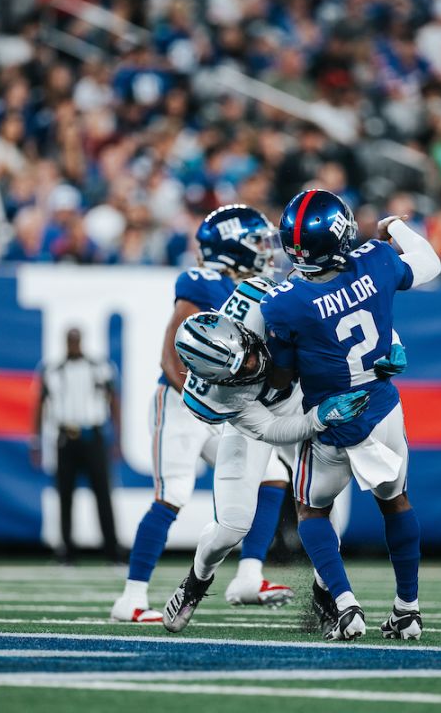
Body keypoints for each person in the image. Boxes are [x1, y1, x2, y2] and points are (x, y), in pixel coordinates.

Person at [261, 189, 441, 641]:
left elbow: (282, 379)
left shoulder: (284, 303)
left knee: (312, 511)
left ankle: (344, 605)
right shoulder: (377, 260)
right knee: (396, 501)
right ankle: (408, 609)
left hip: (330, 421)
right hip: (382, 409)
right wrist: (394, 227)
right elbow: (430, 262)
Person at [110, 204, 288, 623]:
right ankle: (131, 598)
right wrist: (197, 399)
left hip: (218, 408)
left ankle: (248, 575)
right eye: (257, 243)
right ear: (231, 248)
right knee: (172, 493)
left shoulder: (256, 290)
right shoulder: (204, 281)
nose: (266, 251)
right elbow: (172, 352)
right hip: (181, 402)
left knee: (272, 474)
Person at [161, 308, 374, 632]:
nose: (252, 364)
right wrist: (318, 419)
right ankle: (196, 582)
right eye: (237, 370)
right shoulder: (209, 397)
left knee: (324, 509)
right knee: (230, 529)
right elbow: (270, 429)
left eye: (246, 353)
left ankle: (324, 593)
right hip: (258, 425)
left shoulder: (264, 307)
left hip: (305, 402)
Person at [34, 327, 122, 564]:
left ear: (82, 341)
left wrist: (117, 438)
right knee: (65, 495)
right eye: (69, 340)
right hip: (66, 437)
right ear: (65, 342)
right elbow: (40, 405)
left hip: (93, 436)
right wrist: (36, 441)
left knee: (103, 494)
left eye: (76, 340)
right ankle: (67, 550)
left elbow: (113, 401)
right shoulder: (52, 370)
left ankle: (112, 550)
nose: (73, 344)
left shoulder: (99, 367)